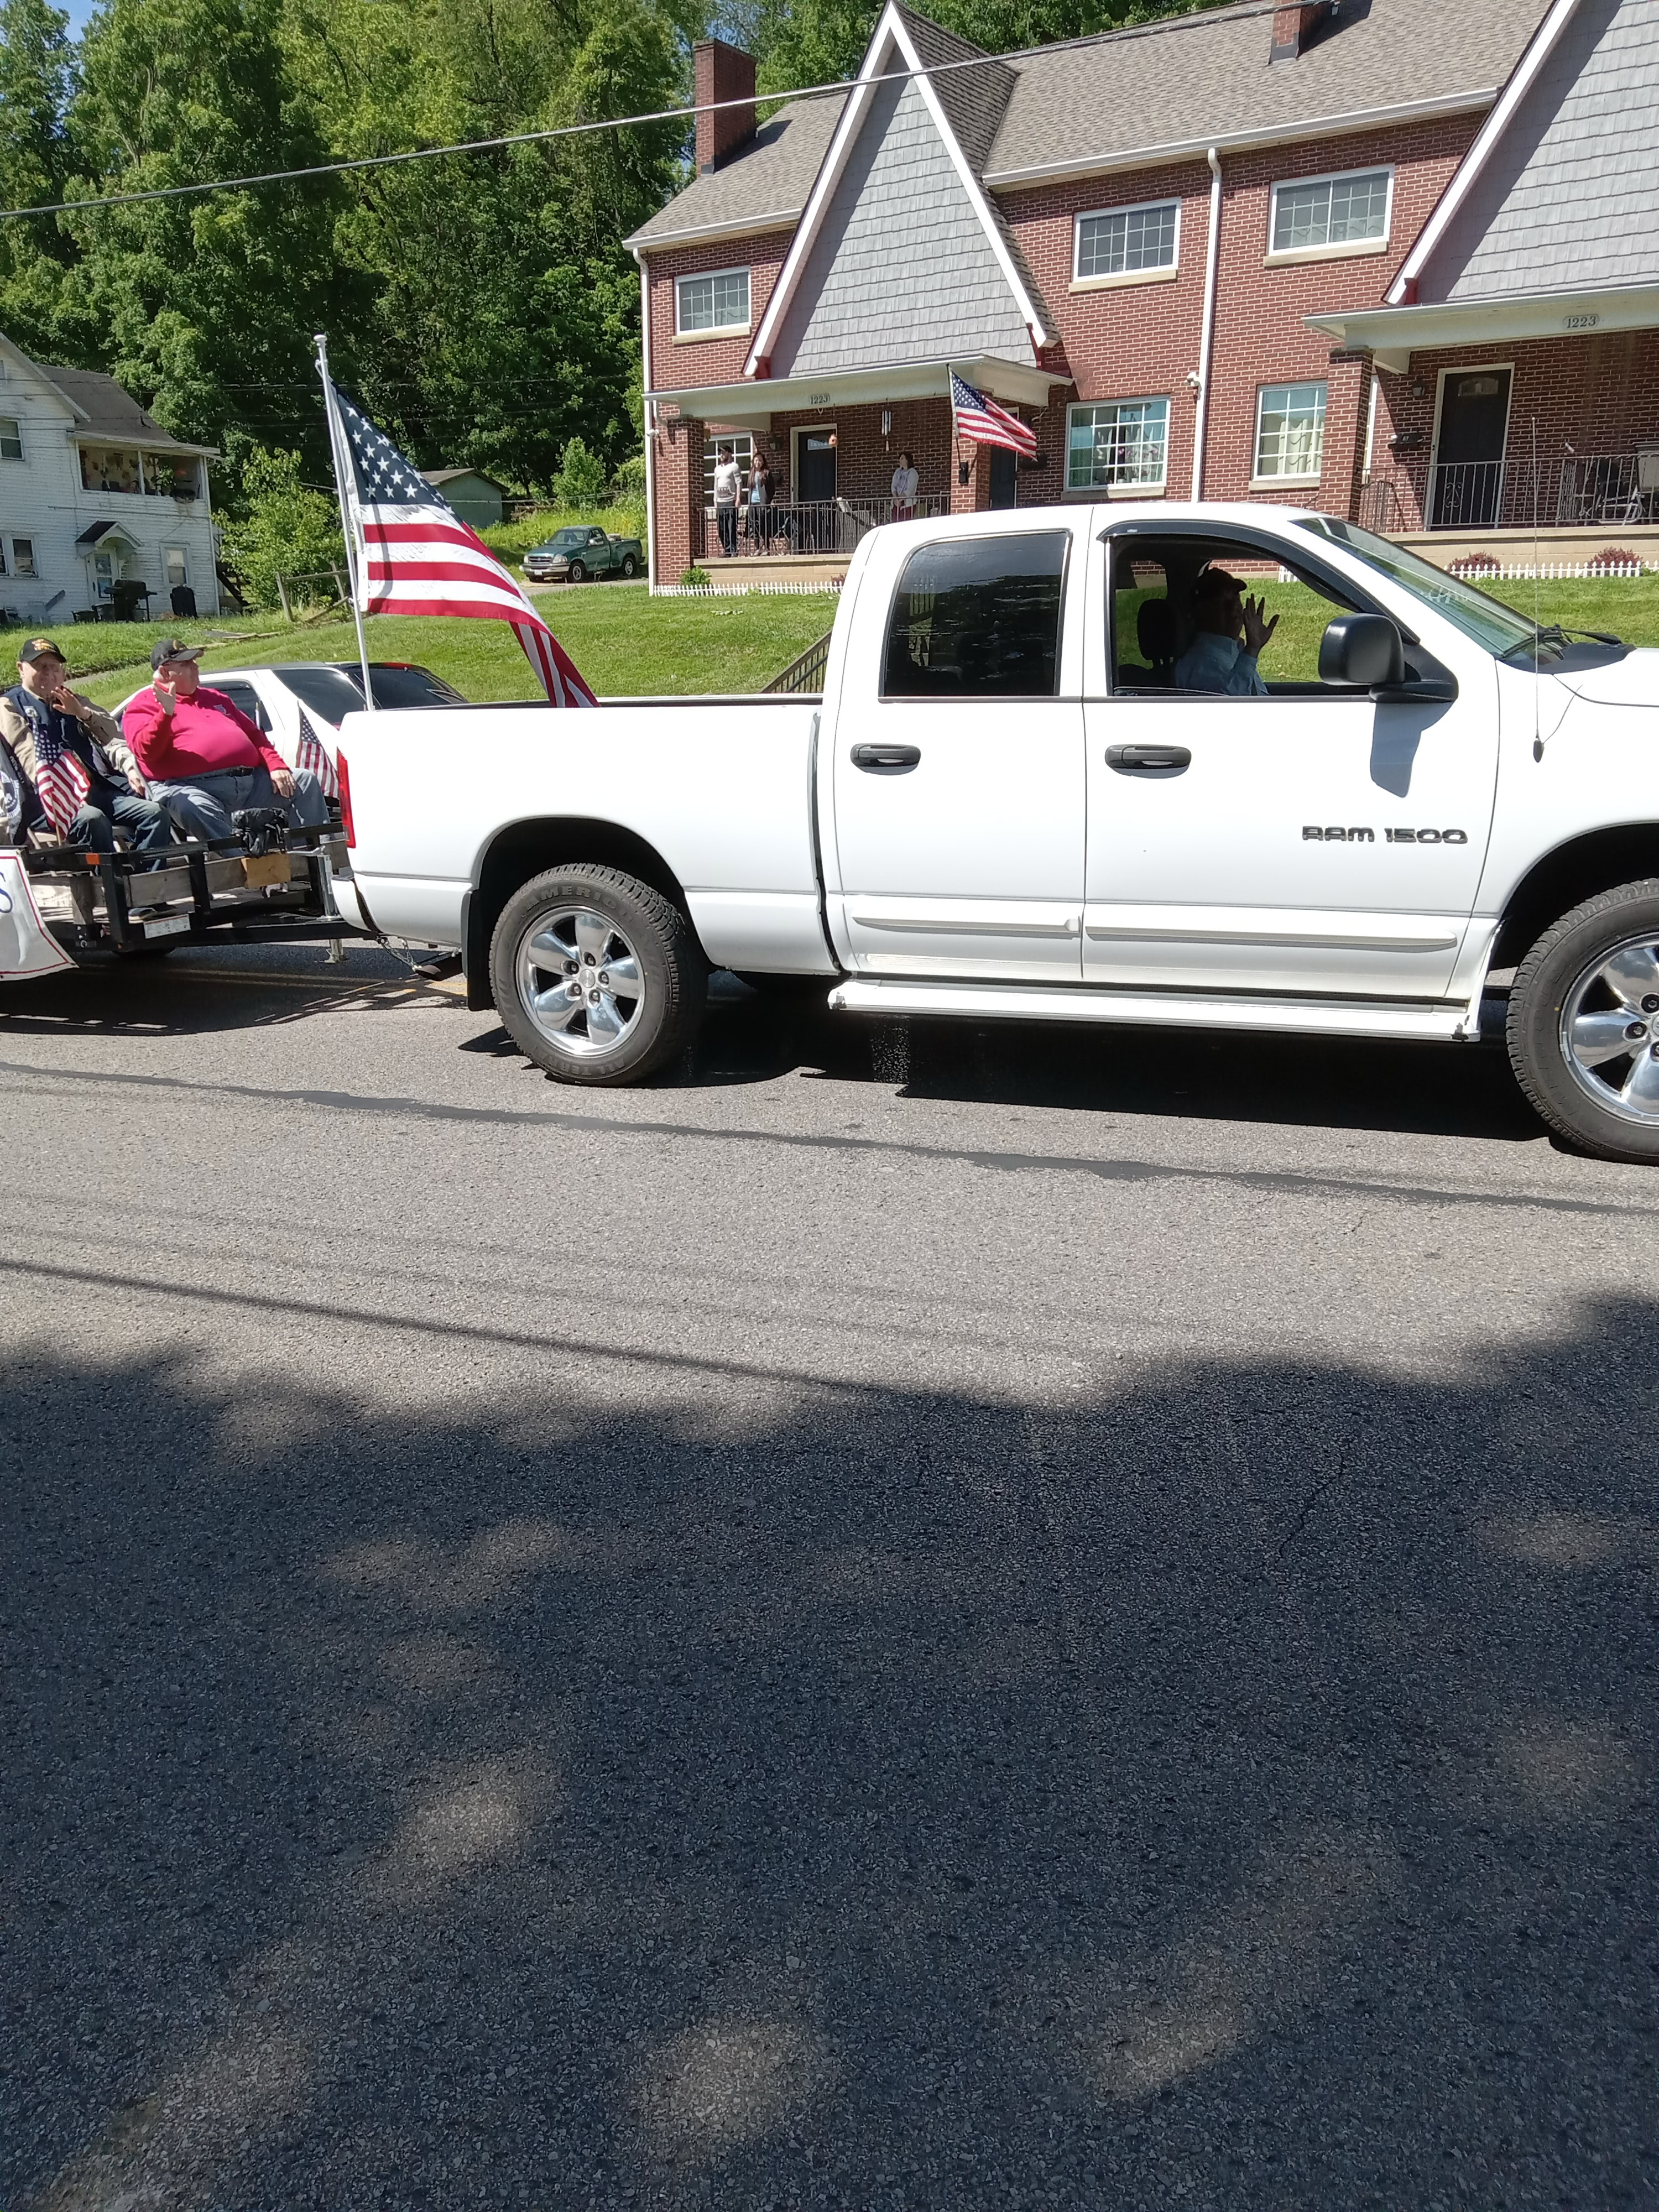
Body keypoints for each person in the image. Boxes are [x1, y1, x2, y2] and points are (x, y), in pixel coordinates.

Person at [123, 640, 330, 841]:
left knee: (304, 781)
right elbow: (146, 752)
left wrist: (276, 766)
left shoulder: (215, 698)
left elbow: (255, 735)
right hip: (192, 787)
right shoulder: (143, 705)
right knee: (193, 808)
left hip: (249, 782)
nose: (195, 667)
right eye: (186, 664)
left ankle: (317, 858)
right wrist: (166, 714)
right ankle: (238, 861)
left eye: (194, 661)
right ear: (165, 672)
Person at [0, 636, 175, 854]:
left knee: (155, 813)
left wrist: (83, 713)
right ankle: (109, 876)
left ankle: (146, 872)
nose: (49, 673)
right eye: (40, 666)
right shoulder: (9, 705)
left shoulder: (73, 699)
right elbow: (27, 753)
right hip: (45, 800)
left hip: (92, 791)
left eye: (54, 667)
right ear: (21, 669)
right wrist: (61, 794)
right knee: (93, 819)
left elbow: (111, 734)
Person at [1172, 566, 1279, 696]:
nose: (1235, 609)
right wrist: (1252, 649)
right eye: (1224, 603)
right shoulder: (1199, 663)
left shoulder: (1233, 652)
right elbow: (1231, 703)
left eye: (1236, 599)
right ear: (1202, 611)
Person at [712, 445, 742, 557]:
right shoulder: (717, 469)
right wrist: (715, 500)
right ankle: (727, 550)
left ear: (729, 454)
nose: (721, 455)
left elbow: (739, 484)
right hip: (720, 502)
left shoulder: (734, 467)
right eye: (720, 453)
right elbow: (716, 486)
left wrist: (738, 499)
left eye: (724, 453)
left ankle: (733, 550)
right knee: (721, 528)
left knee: (731, 527)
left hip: (731, 500)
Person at [745, 448, 773, 552]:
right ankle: (757, 548)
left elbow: (772, 489)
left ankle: (766, 548)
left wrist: (767, 501)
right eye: (756, 460)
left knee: (763, 526)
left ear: (763, 462)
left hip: (762, 503)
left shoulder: (766, 473)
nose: (758, 462)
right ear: (753, 461)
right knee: (754, 527)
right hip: (752, 503)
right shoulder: (751, 473)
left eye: (760, 460)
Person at [890, 450, 919, 521]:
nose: (900, 460)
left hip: (908, 504)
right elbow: (893, 486)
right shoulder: (898, 471)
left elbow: (910, 489)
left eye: (902, 458)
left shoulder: (913, 472)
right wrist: (896, 498)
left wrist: (901, 499)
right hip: (896, 504)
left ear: (907, 460)